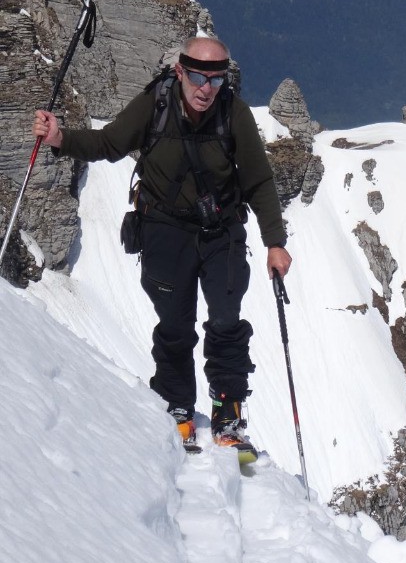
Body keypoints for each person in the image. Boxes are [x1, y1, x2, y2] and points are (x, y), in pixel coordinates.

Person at [33, 36, 291, 456]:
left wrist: (274, 243)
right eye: (197, 76)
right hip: (164, 230)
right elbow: (109, 144)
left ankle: (228, 410)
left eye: (216, 78)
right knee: (174, 324)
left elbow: (259, 180)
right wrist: (60, 138)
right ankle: (177, 405)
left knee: (226, 320)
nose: (206, 88)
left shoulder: (234, 114)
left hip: (221, 231)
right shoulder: (154, 105)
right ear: (179, 72)